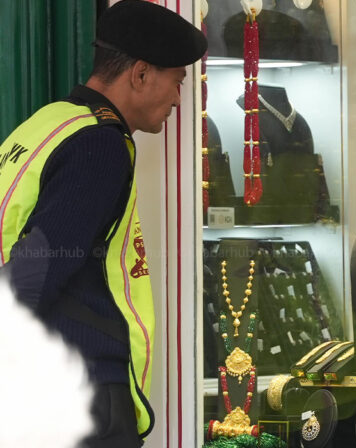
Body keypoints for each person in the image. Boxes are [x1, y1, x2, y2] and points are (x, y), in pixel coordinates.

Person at [0, 1, 206, 446]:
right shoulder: (99, 144)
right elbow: (39, 264)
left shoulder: (45, 123)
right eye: (177, 82)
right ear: (141, 74)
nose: (178, 99)